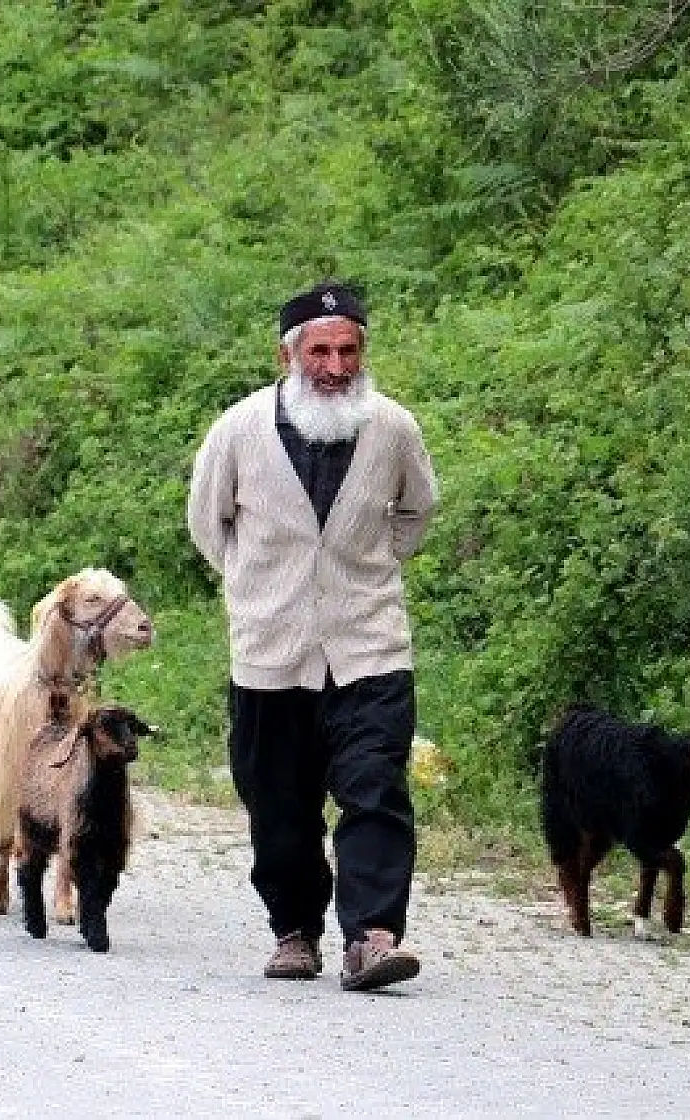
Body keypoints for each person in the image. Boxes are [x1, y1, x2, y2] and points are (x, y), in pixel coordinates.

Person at [186, 281, 438, 992]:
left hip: (370, 644)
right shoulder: (238, 429)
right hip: (271, 651)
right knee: (278, 802)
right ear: (288, 355)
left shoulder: (392, 427)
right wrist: (259, 587)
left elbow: (418, 510)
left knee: (375, 788)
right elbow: (210, 526)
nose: (335, 366)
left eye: (348, 350)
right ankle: (294, 930)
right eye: (320, 351)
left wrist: (371, 564)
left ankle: (373, 934)